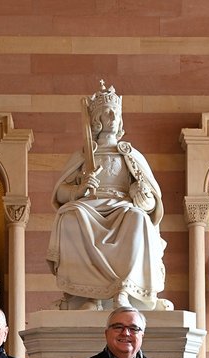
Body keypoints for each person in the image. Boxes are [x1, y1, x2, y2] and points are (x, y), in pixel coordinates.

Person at [46, 80, 169, 311]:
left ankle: (124, 290)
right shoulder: (84, 155)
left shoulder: (130, 155)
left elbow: (152, 204)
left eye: (115, 113)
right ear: (96, 120)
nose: (113, 117)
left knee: (138, 219)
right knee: (69, 217)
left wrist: (140, 195)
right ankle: (88, 296)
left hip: (123, 206)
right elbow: (61, 193)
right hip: (89, 205)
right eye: (107, 113)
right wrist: (79, 189)